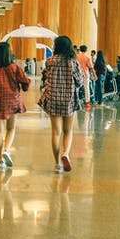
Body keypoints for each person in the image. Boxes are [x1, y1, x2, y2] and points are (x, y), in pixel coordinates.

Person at [39, 36, 85, 173]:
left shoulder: (50, 61)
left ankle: (57, 164)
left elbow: (46, 78)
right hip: (68, 100)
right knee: (68, 131)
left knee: (56, 132)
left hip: (53, 99)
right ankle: (65, 153)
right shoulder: (73, 62)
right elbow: (80, 81)